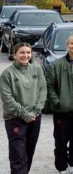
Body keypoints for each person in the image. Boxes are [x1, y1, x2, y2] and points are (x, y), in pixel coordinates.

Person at [46, 34, 73, 174]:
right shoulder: (57, 65)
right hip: (62, 111)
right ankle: (62, 168)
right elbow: (49, 86)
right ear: (67, 45)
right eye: (72, 43)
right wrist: (57, 102)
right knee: (60, 143)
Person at [1, 43, 46, 174]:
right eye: (22, 52)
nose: (25, 55)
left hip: (34, 117)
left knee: (28, 152)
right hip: (15, 119)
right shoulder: (7, 74)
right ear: (14, 55)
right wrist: (25, 114)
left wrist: (36, 111)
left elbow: (43, 90)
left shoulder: (37, 70)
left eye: (28, 52)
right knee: (18, 155)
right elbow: (7, 99)